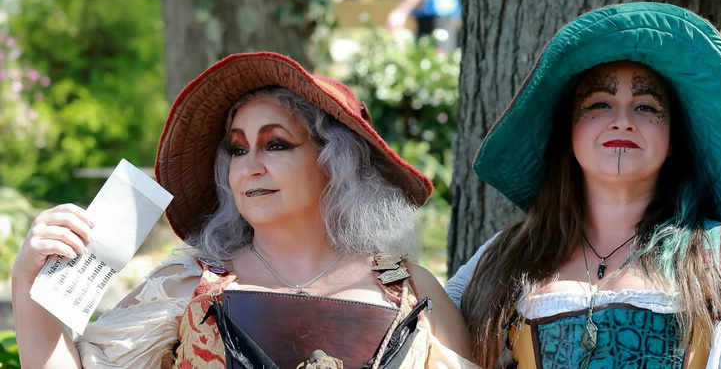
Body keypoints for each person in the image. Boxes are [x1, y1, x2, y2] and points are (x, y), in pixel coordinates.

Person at [12, 52, 474, 368]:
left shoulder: (413, 291)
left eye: (275, 144)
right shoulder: (184, 287)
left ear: (336, 163)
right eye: (237, 149)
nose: (250, 166)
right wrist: (27, 282)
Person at [443, 2, 721, 368]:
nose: (622, 120)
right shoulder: (506, 255)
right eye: (599, 104)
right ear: (568, 132)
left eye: (646, 108)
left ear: (673, 140)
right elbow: (428, 339)